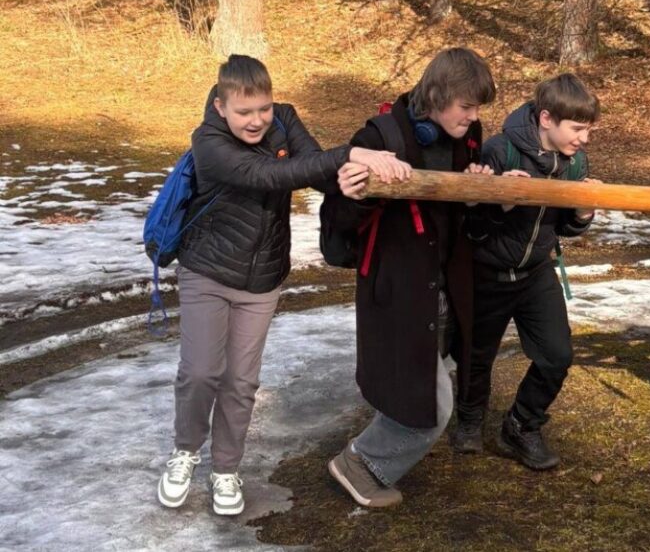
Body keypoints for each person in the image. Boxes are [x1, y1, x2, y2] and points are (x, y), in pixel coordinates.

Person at [157, 54, 409, 516]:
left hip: (263, 277)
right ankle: (185, 452)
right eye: (244, 112)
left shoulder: (285, 120)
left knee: (240, 380)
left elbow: (312, 166)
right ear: (221, 108)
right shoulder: (207, 141)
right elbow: (267, 176)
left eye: (264, 109)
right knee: (200, 372)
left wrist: (352, 180)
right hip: (207, 271)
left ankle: (226, 469)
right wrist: (349, 154)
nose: (256, 121)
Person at [320, 47, 496, 508]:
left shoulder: (468, 136)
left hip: (446, 285)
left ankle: (377, 447)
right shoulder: (380, 135)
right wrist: (361, 191)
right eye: (467, 106)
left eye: (479, 107)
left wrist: (478, 189)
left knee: (427, 378)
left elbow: (459, 215)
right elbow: (336, 220)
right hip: (397, 288)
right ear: (436, 95)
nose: (474, 117)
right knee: (433, 408)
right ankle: (360, 464)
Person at [454, 73, 601, 470]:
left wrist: (583, 213)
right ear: (547, 119)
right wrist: (499, 203)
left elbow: (564, 228)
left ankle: (521, 425)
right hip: (487, 272)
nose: (584, 139)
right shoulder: (500, 151)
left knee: (557, 355)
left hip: (537, 272)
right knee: (475, 357)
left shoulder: (576, 163)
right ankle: (468, 421)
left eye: (589, 130)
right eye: (578, 129)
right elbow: (472, 227)